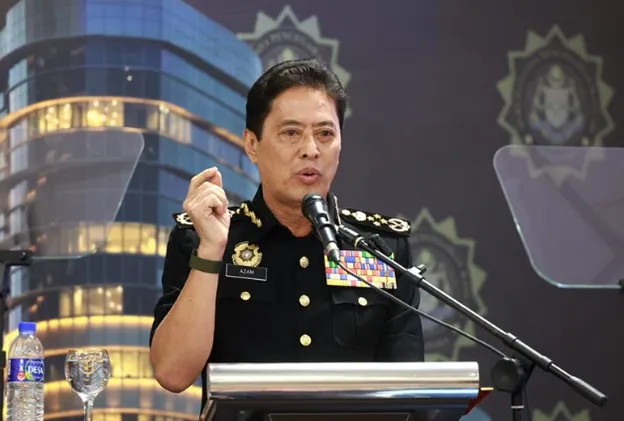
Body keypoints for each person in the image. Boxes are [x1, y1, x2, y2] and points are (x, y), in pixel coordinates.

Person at [149, 58, 425, 418]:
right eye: (291, 133)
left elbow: (410, 394)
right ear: (252, 144)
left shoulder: (380, 249)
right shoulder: (205, 239)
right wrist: (211, 251)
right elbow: (172, 373)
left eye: (325, 134)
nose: (311, 149)